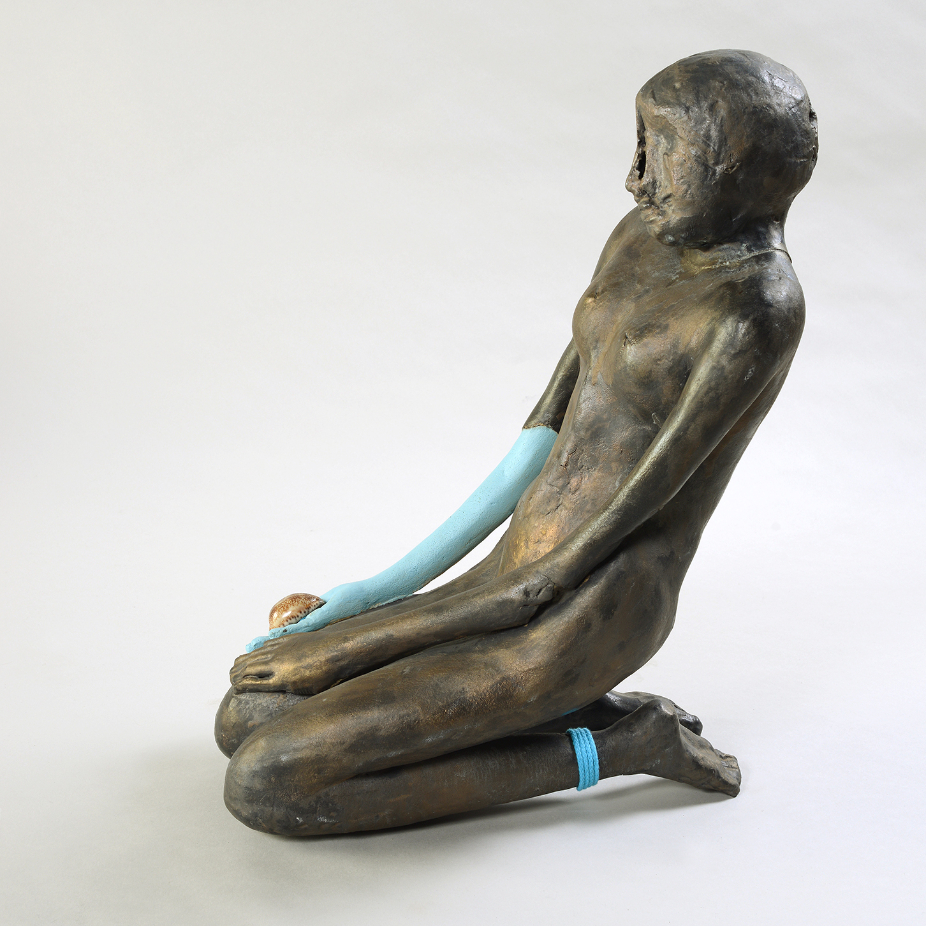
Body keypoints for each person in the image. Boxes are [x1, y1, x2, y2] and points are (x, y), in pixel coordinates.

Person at [215, 49, 818, 835]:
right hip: (514, 566)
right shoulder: (641, 237)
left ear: (738, 166)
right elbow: (537, 440)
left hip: (590, 599)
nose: (634, 178)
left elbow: (559, 575)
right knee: (244, 717)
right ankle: (565, 712)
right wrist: (372, 591)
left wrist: (354, 646)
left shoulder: (757, 307)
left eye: (663, 151)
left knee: (267, 783)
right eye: (638, 143)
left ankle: (624, 744)